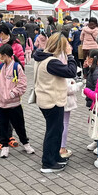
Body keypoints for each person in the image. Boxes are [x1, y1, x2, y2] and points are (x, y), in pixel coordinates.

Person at [33, 33, 77, 173]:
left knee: (57, 130)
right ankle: (48, 163)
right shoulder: (51, 61)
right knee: (53, 132)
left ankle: (56, 156)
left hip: (47, 98)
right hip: (52, 100)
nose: (67, 48)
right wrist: (70, 56)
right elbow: (71, 71)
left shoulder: (41, 58)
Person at [0, 44, 34, 158]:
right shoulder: (0, 68)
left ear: (5, 55)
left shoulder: (17, 67)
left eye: (0, 56)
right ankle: (4, 147)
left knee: (19, 126)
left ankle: (26, 143)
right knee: (3, 126)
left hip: (14, 104)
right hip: (2, 104)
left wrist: (12, 94)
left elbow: (22, 85)